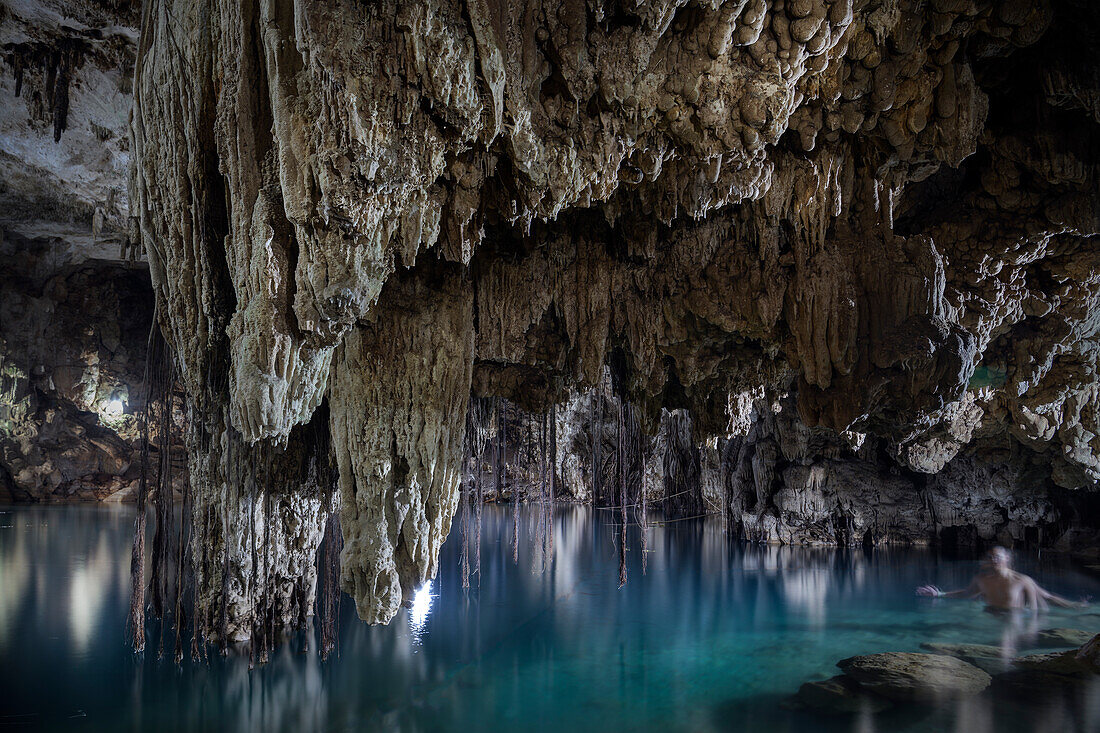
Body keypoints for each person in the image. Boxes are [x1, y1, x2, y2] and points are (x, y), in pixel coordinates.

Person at [916, 546, 1088, 610]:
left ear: (1008, 559)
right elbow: (967, 593)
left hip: (1014, 621)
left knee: (1045, 595)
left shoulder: (1022, 580)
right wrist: (940, 595)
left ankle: (1076, 607)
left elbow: (1042, 603)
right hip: (991, 618)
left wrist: (1074, 606)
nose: (994, 560)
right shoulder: (981, 579)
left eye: (998, 557)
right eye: (991, 557)